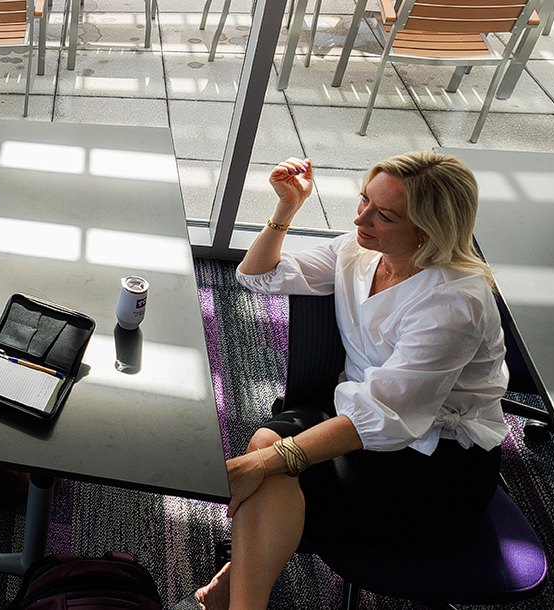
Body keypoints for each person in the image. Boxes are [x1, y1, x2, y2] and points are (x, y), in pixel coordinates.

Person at [193, 152, 510, 610]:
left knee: (271, 468)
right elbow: (257, 277)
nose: (361, 217)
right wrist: (286, 208)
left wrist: (265, 464)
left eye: (383, 214)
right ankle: (231, 594)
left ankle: (232, 597)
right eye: (364, 200)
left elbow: (390, 419)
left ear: (428, 229)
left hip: (437, 461)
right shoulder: (359, 249)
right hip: (357, 415)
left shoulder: (453, 303)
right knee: (267, 447)